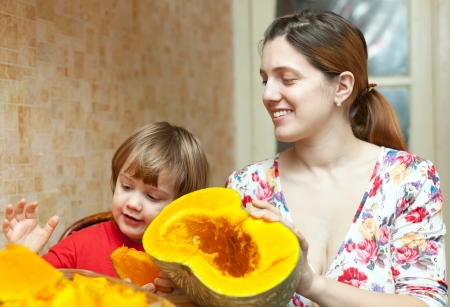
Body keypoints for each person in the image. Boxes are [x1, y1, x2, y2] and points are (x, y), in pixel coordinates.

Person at [225, 9, 447, 307]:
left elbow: (428, 303)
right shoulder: (246, 187)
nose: (268, 95)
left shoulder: (409, 179)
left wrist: (312, 284)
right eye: (266, 80)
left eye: (287, 79)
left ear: (342, 87)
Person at [3, 121, 210, 296]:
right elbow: (30, 291)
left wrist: (188, 293)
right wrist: (22, 257)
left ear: (181, 206)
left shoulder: (192, 262)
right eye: (126, 187)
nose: (133, 203)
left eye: (152, 196)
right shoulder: (78, 245)